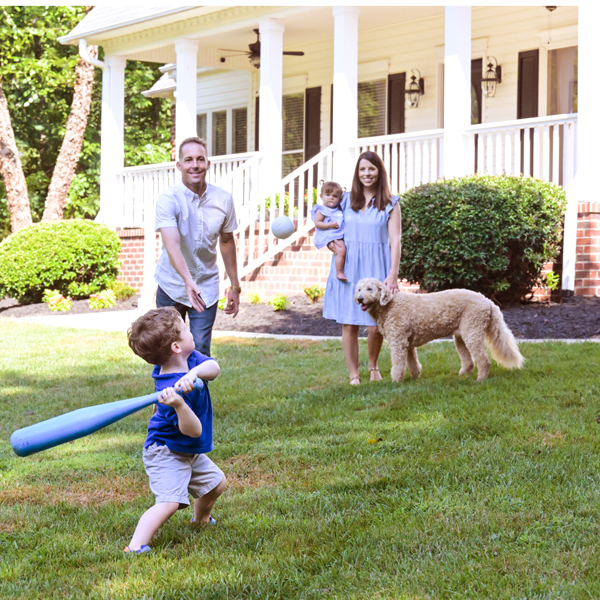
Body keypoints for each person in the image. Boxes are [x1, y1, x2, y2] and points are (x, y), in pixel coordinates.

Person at [124, 306, 227, 554]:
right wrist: (179, 404)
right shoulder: (169, 390)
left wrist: (194, 373)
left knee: (216, 484)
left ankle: (200, 519)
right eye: (185, 330)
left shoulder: (190, 360)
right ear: (176, 347)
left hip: (185, 449)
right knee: (170, 502)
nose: (190, 331)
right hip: (165, 451)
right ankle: (135, 545)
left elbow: (214, 368)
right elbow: (193, 430)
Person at [154, 136, 242, 357]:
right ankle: (168, 393)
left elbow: (226, 240)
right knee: (166, 350)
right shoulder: (169, 199)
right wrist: (187, 280)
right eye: (189, 160)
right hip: (172, 285)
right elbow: (171, 243)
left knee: (200, 349)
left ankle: (197, 393)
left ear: (208, 164)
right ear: (179, 165)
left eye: (200, 159)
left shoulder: (223, 200)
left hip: (205, 287)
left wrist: (235, 285)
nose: (195, 165)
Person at [322, 151, 402, 385]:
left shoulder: (391, 202)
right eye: (362, 169)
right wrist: (330, 244)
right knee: (350, 323)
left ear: (380, 172)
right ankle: (354, 375)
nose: (367, 174)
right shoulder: (345, 200)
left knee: (376, 325)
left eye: (371, 169)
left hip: (377, 264)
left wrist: (393, 274)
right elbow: (326, 225)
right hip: (349, 266)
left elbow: (395, 239)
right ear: (357, 173)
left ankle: (374, 366)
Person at [311, 180, 347, 281]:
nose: (331, 197)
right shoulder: (322, 210)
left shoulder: (338, 210)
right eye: (328, 194)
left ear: (339, 199)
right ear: (321, 196)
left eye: (335, 196)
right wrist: (329, 225)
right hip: (330, 235)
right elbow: (317, 223)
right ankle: (339, 272)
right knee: (341, 251)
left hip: (337, 234)